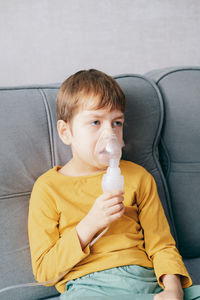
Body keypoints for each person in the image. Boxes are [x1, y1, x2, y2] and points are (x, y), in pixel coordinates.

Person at [28, 69, 197, 300]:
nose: (110, 134)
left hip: (146, 282)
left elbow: (162, 246)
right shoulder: (48, 188)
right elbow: (44, 271)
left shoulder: (138, 177)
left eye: (117, 122)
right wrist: (90, 224)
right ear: (66, 132)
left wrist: (173, 291)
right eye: (95, 121)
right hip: (89, 288)